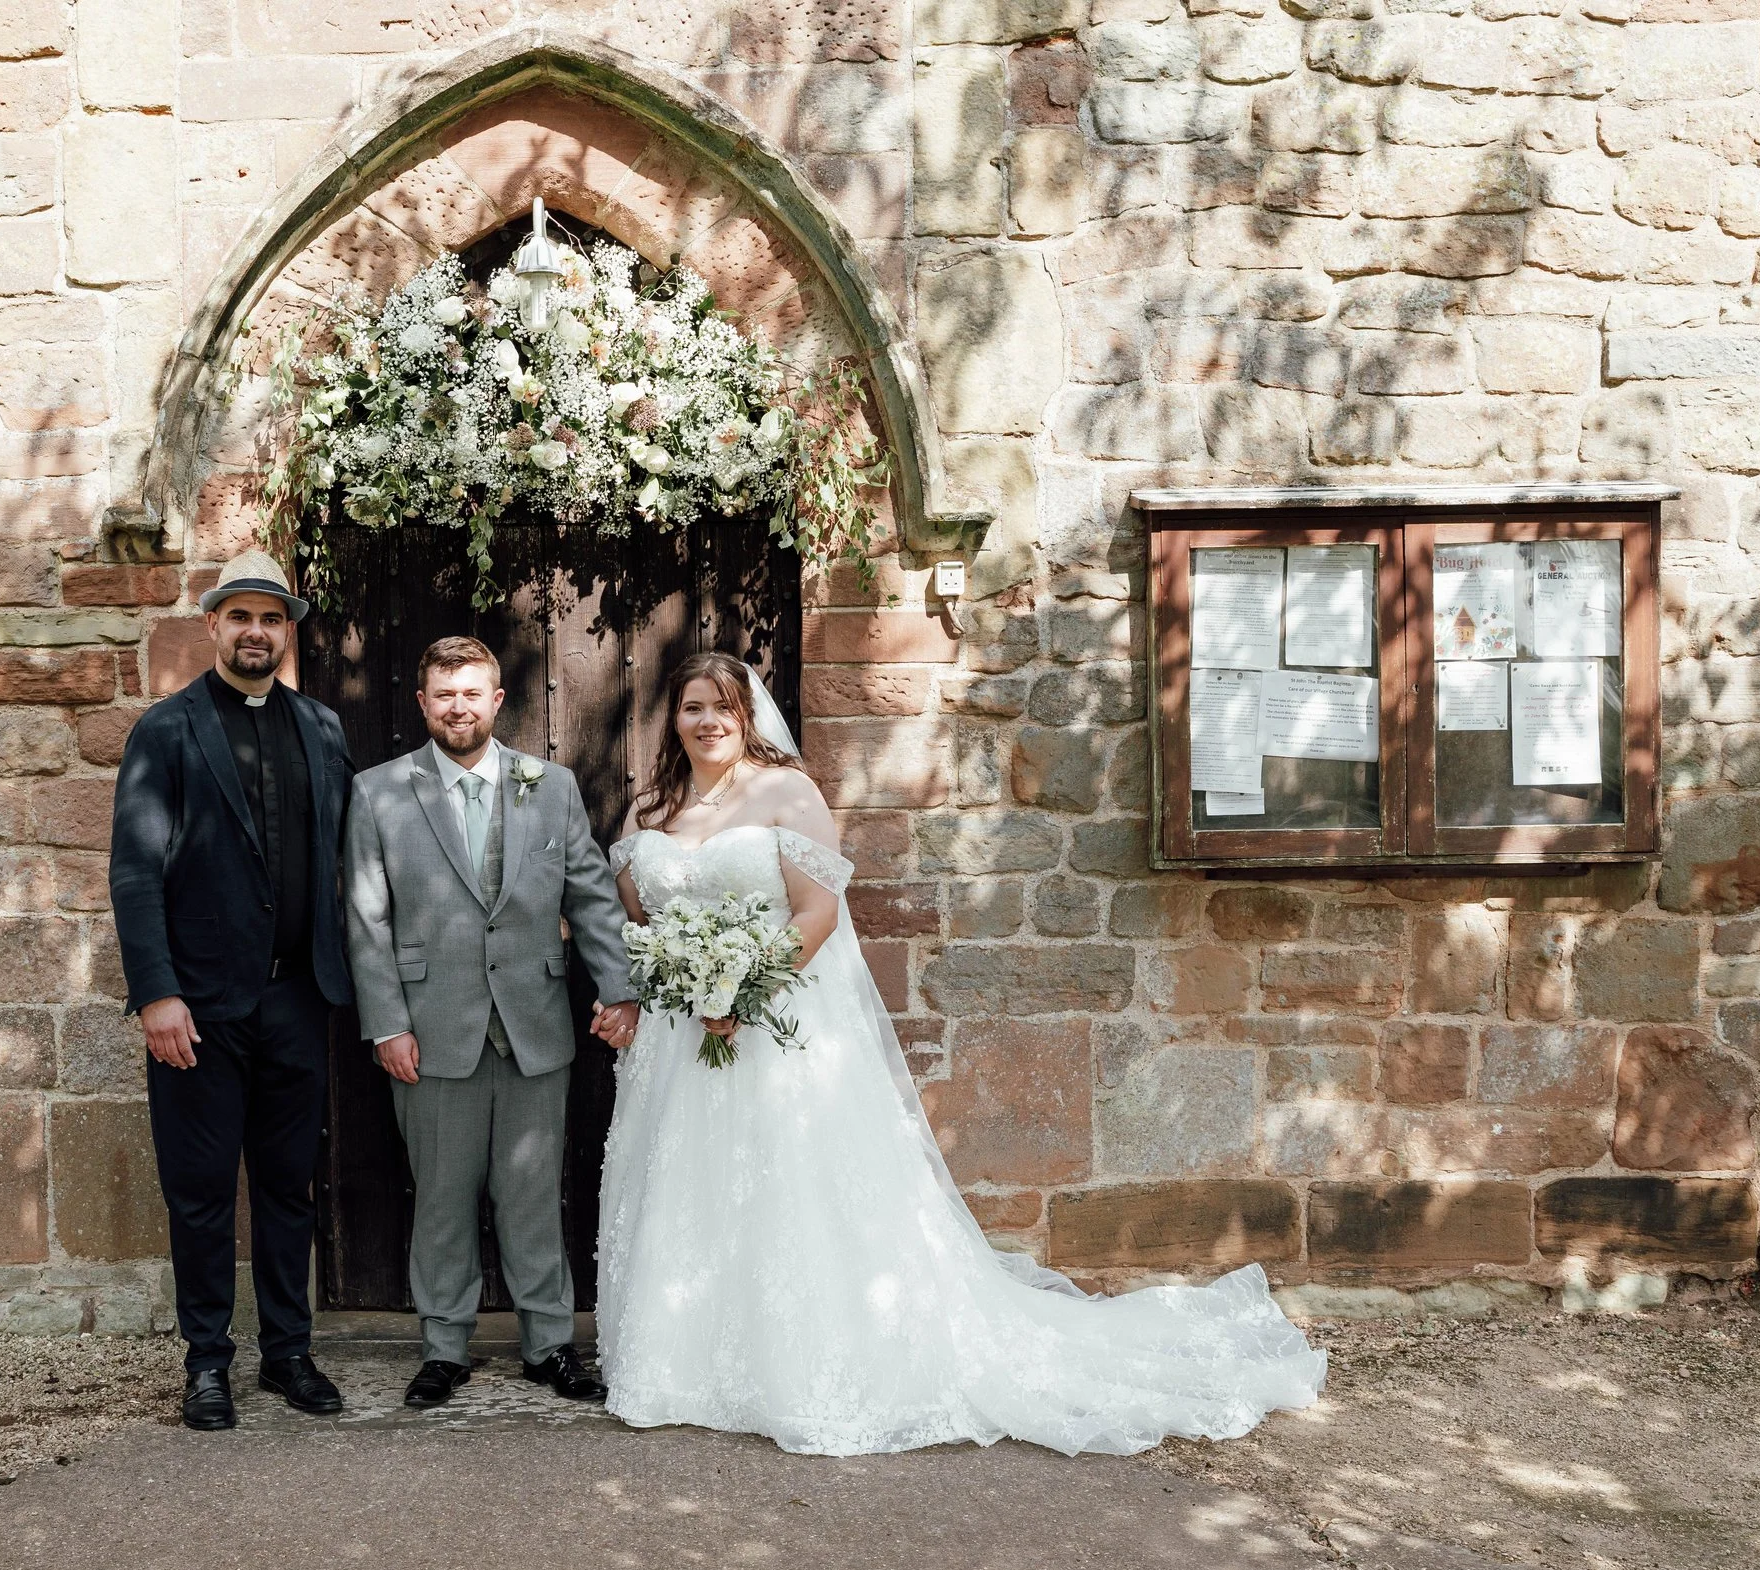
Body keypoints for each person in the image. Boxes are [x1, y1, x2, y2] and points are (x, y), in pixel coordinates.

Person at [598, 651, 1329, 1457]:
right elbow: (636, 922)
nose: (707, 721)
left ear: (747, 716)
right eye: (692, 706)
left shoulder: (787, 792)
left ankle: (793, 1365)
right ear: (673, 718)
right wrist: (670, 982)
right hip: (678, 1040)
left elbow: (815, 913)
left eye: (723, 707)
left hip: (768, 1024)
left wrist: (741, 991)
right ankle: (686, 1365)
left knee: (782, 1184)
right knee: (691, 1182)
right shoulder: (650, 809)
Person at [341, 635, 642, 1409]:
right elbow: (366, 919)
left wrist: (621, 988)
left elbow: (592, 898)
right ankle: (444, 1348)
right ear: (422, 702)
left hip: (535, 1022)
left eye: (472, 692)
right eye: (444, 694)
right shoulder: (379, 791)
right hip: (432, 1027)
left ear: (497, 699)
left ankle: (548, 1346)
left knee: (534, 1193)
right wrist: (386, 1024)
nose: (458, 706)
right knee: (441, 1196)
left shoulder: (553, 787)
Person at [107, 551, 352, 1432]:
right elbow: (136, 873)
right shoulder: (165, 731)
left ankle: (289, 1352)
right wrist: (156, 995)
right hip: (199, 1009)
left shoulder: (322, 728)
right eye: (241, 616)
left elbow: (340, 861)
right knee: (202, 1191)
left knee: (290, 1188)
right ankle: (207, 1361)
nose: (257, 631)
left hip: (297, 999)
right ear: (212, 625)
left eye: (272, 618)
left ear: (289, 631)